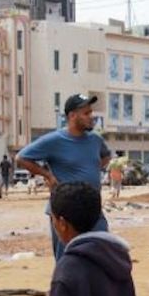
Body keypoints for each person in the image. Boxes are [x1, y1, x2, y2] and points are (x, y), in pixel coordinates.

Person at [17, 93, 111, 261]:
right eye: (87, 113)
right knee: (68, 260)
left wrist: (92, 170)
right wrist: (48, 176)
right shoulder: (54, 140)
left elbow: (106, 156)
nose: (92, 117)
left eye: (91, 112)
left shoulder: (95, 140)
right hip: (66, 212)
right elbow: (21, 158)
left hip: (93, 209)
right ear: (72, 116)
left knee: (103, 255)